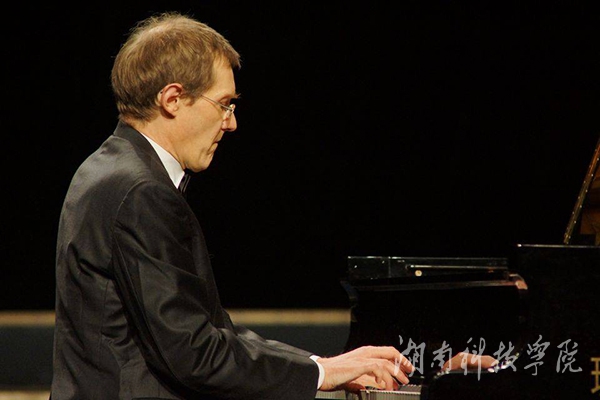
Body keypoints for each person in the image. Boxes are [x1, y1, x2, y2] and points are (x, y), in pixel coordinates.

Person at [49, 11, 417, 400]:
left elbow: (207, 328)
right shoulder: (141, 191)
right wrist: (322, 373)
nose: (231, 123)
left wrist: (319, 365)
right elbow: (194, 353)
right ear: (173, 99)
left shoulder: (104, 168)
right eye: (224, 104)